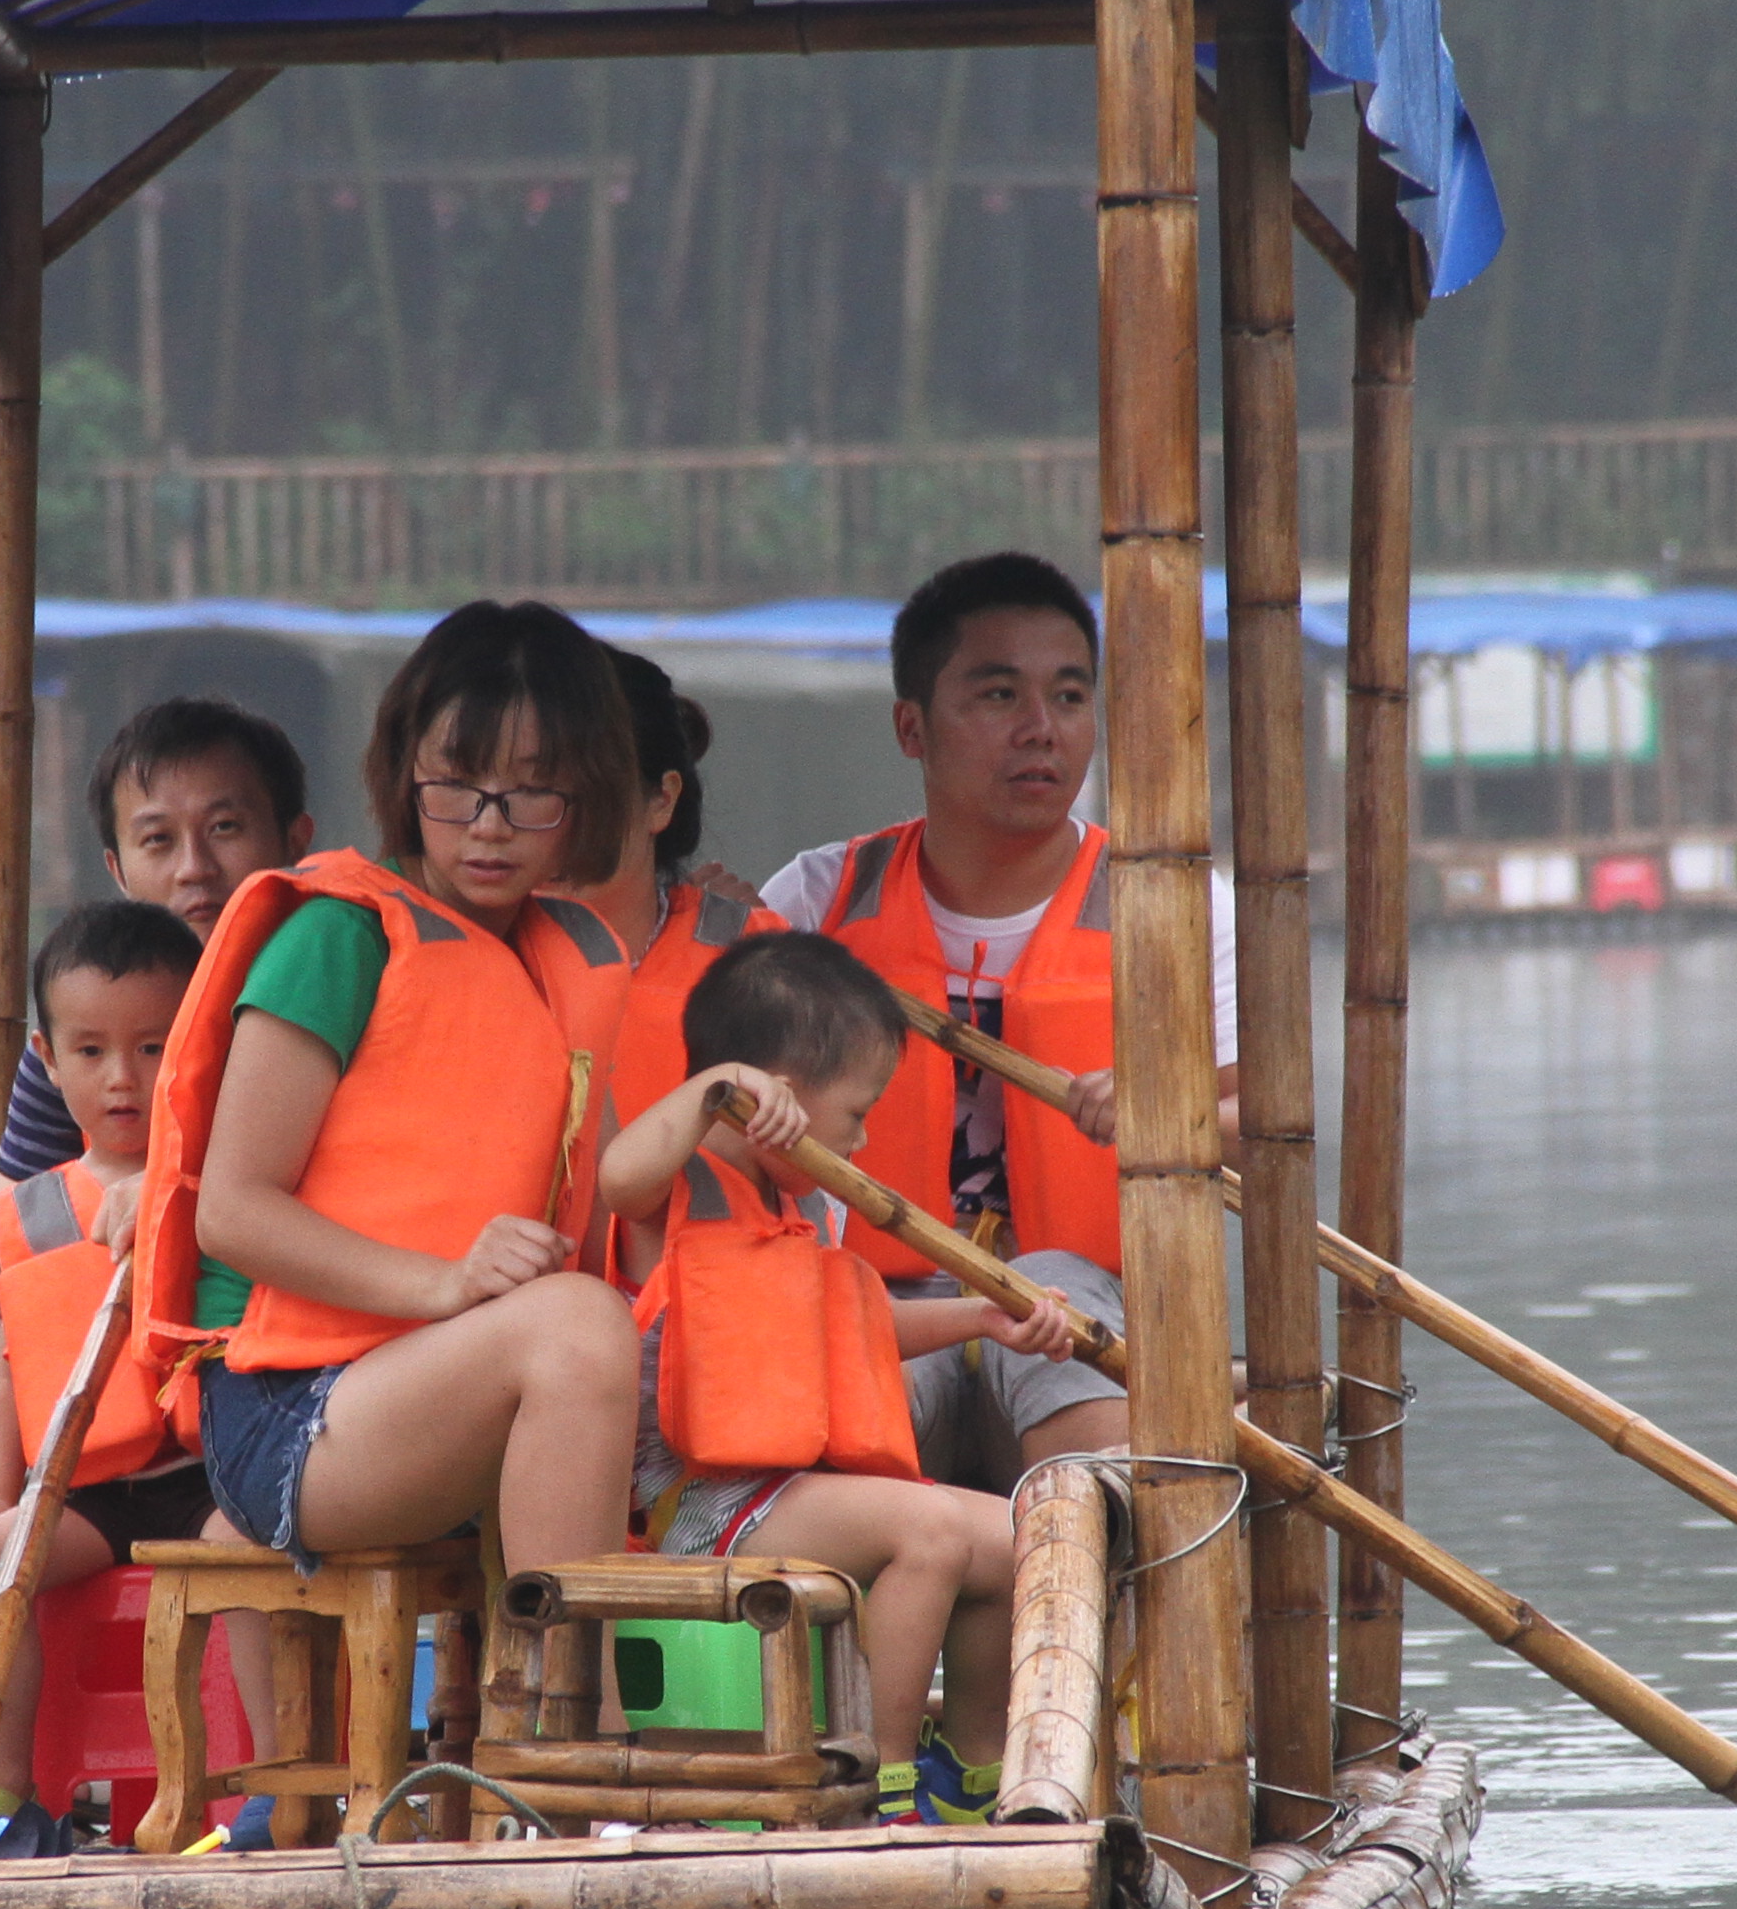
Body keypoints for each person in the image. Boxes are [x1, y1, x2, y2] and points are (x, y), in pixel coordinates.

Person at [133, 604, 648, 1599]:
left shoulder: (567, 962)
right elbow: (233, 1212)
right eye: (458, 788)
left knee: (637, 1344)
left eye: (533, 793)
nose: (490, 829)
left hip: (430, 1385)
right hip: (291, 1416)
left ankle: (554, 1712)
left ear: (586, 801)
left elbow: (614, 1194)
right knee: (577, 1327)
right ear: (405, 774)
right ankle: (565, 1719)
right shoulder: (340, 939)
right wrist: (445, 1283)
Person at [749, 549, 1240, 1488]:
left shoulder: (1173, 907)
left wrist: (1162, 1117)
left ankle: (1078, 1594)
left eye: (1067, 696)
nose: (1040, 731)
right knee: (828, 1428)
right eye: (998, 697)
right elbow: (734, 1143)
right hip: (876, 1299)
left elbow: (1263, 1138)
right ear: (911, 727)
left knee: (1076, 1378)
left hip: (1094, 1307)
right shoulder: (815, 903)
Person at [597, 933, 1083, 1818]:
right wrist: (720, 1087)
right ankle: (875, 1785)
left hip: (793, 1495)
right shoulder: (676, 1188)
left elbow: (849, 1332)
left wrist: (984, 1320)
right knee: (929, 1531)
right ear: (776, 1093)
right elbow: (618, 1174)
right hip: (696, 1513)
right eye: (857, 1113)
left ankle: (969, 1773)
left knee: (1018, 1533)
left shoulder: (808, 1205)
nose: (861, 1138)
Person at [0, 697, 315, 1407]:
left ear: (295, 841)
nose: (195, 868)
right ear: (119, 869)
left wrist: (172, 1188)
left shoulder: (324, 1001)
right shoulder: (88, 1038)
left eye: (225, 828)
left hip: (283, 1376)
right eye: (158, 840)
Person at [0, 901, 209, 1849]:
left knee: (262, 1564)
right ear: (47, 1060)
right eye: (92, 1051)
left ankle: (272, 1790)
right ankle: (3, 1798)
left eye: (153, 1046)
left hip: (209, 1475)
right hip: (89, 1487)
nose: (124, 1078)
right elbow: (18, 1358)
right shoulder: (29, 1207)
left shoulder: (222, 1181)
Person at [513, 644, 779, 1262]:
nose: (550, 821)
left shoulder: (760, 965)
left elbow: (811, 1181)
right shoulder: (457, 954)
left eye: (584, 794)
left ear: (662, 799)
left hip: (699, 1315)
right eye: (528, 791)